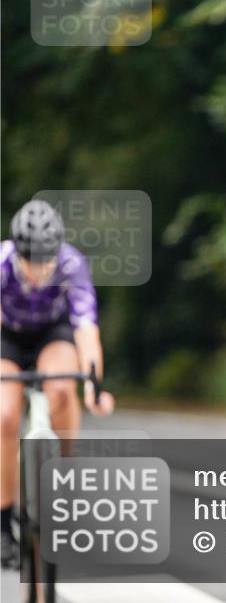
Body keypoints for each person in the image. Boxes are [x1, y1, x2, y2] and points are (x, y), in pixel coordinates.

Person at [0, 199, 114, 569]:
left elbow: (86, 329)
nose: (40, 270)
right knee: (4, 416)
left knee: (63, 389)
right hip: (8, 335)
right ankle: (3, 522)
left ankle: (65, 484)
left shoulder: (71, 264)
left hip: (53, 333)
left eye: (46, 261)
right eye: (32, 262)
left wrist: (94, 387)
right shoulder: (1, 264)